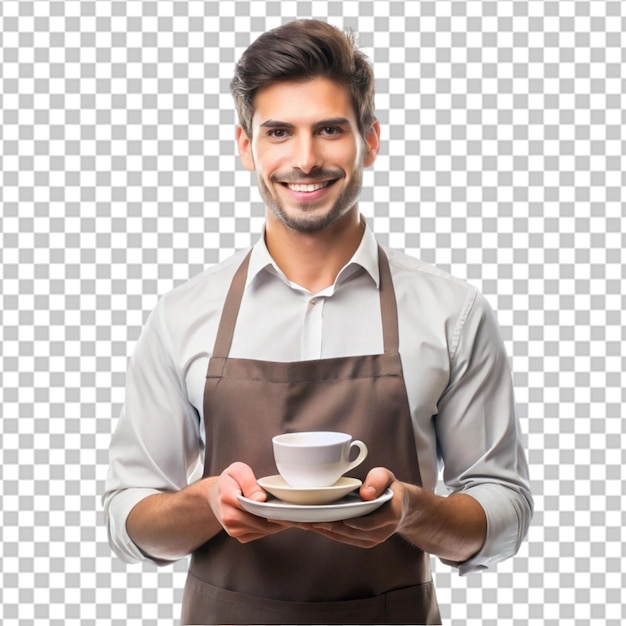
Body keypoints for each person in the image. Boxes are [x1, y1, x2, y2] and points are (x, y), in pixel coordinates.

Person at [103, 19, 533, 625]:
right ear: (247, 146)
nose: (305, 159)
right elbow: (128, 515)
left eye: (329, 129)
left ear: (371, 140)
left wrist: (410, 511)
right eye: (279, 132)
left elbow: (504, 505)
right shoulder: (183, 316)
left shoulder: (451, 314)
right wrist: (206, 505)